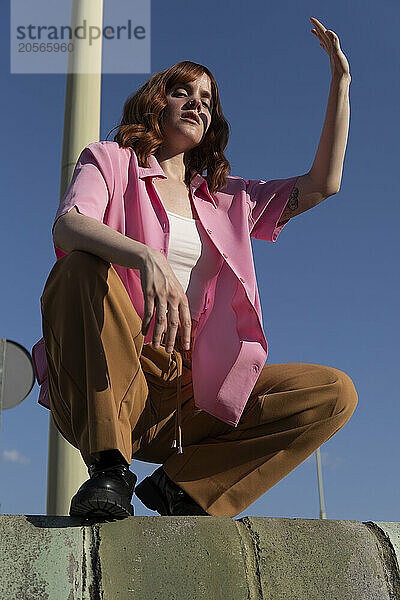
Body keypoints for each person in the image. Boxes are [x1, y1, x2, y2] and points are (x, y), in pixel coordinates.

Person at [33, 43, 357, 520]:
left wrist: (340, 87)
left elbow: (322, 184)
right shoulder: (111, 160)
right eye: (182, 92)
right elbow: (68, 225)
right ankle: (108, 469)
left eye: (206, 101)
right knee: (80, 267)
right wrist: (145, 257)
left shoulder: (228, 201)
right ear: (155, 103)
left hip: (188, 396)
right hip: (112, 373)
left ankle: (183, 488)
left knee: (332, 394)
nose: (196, 104)